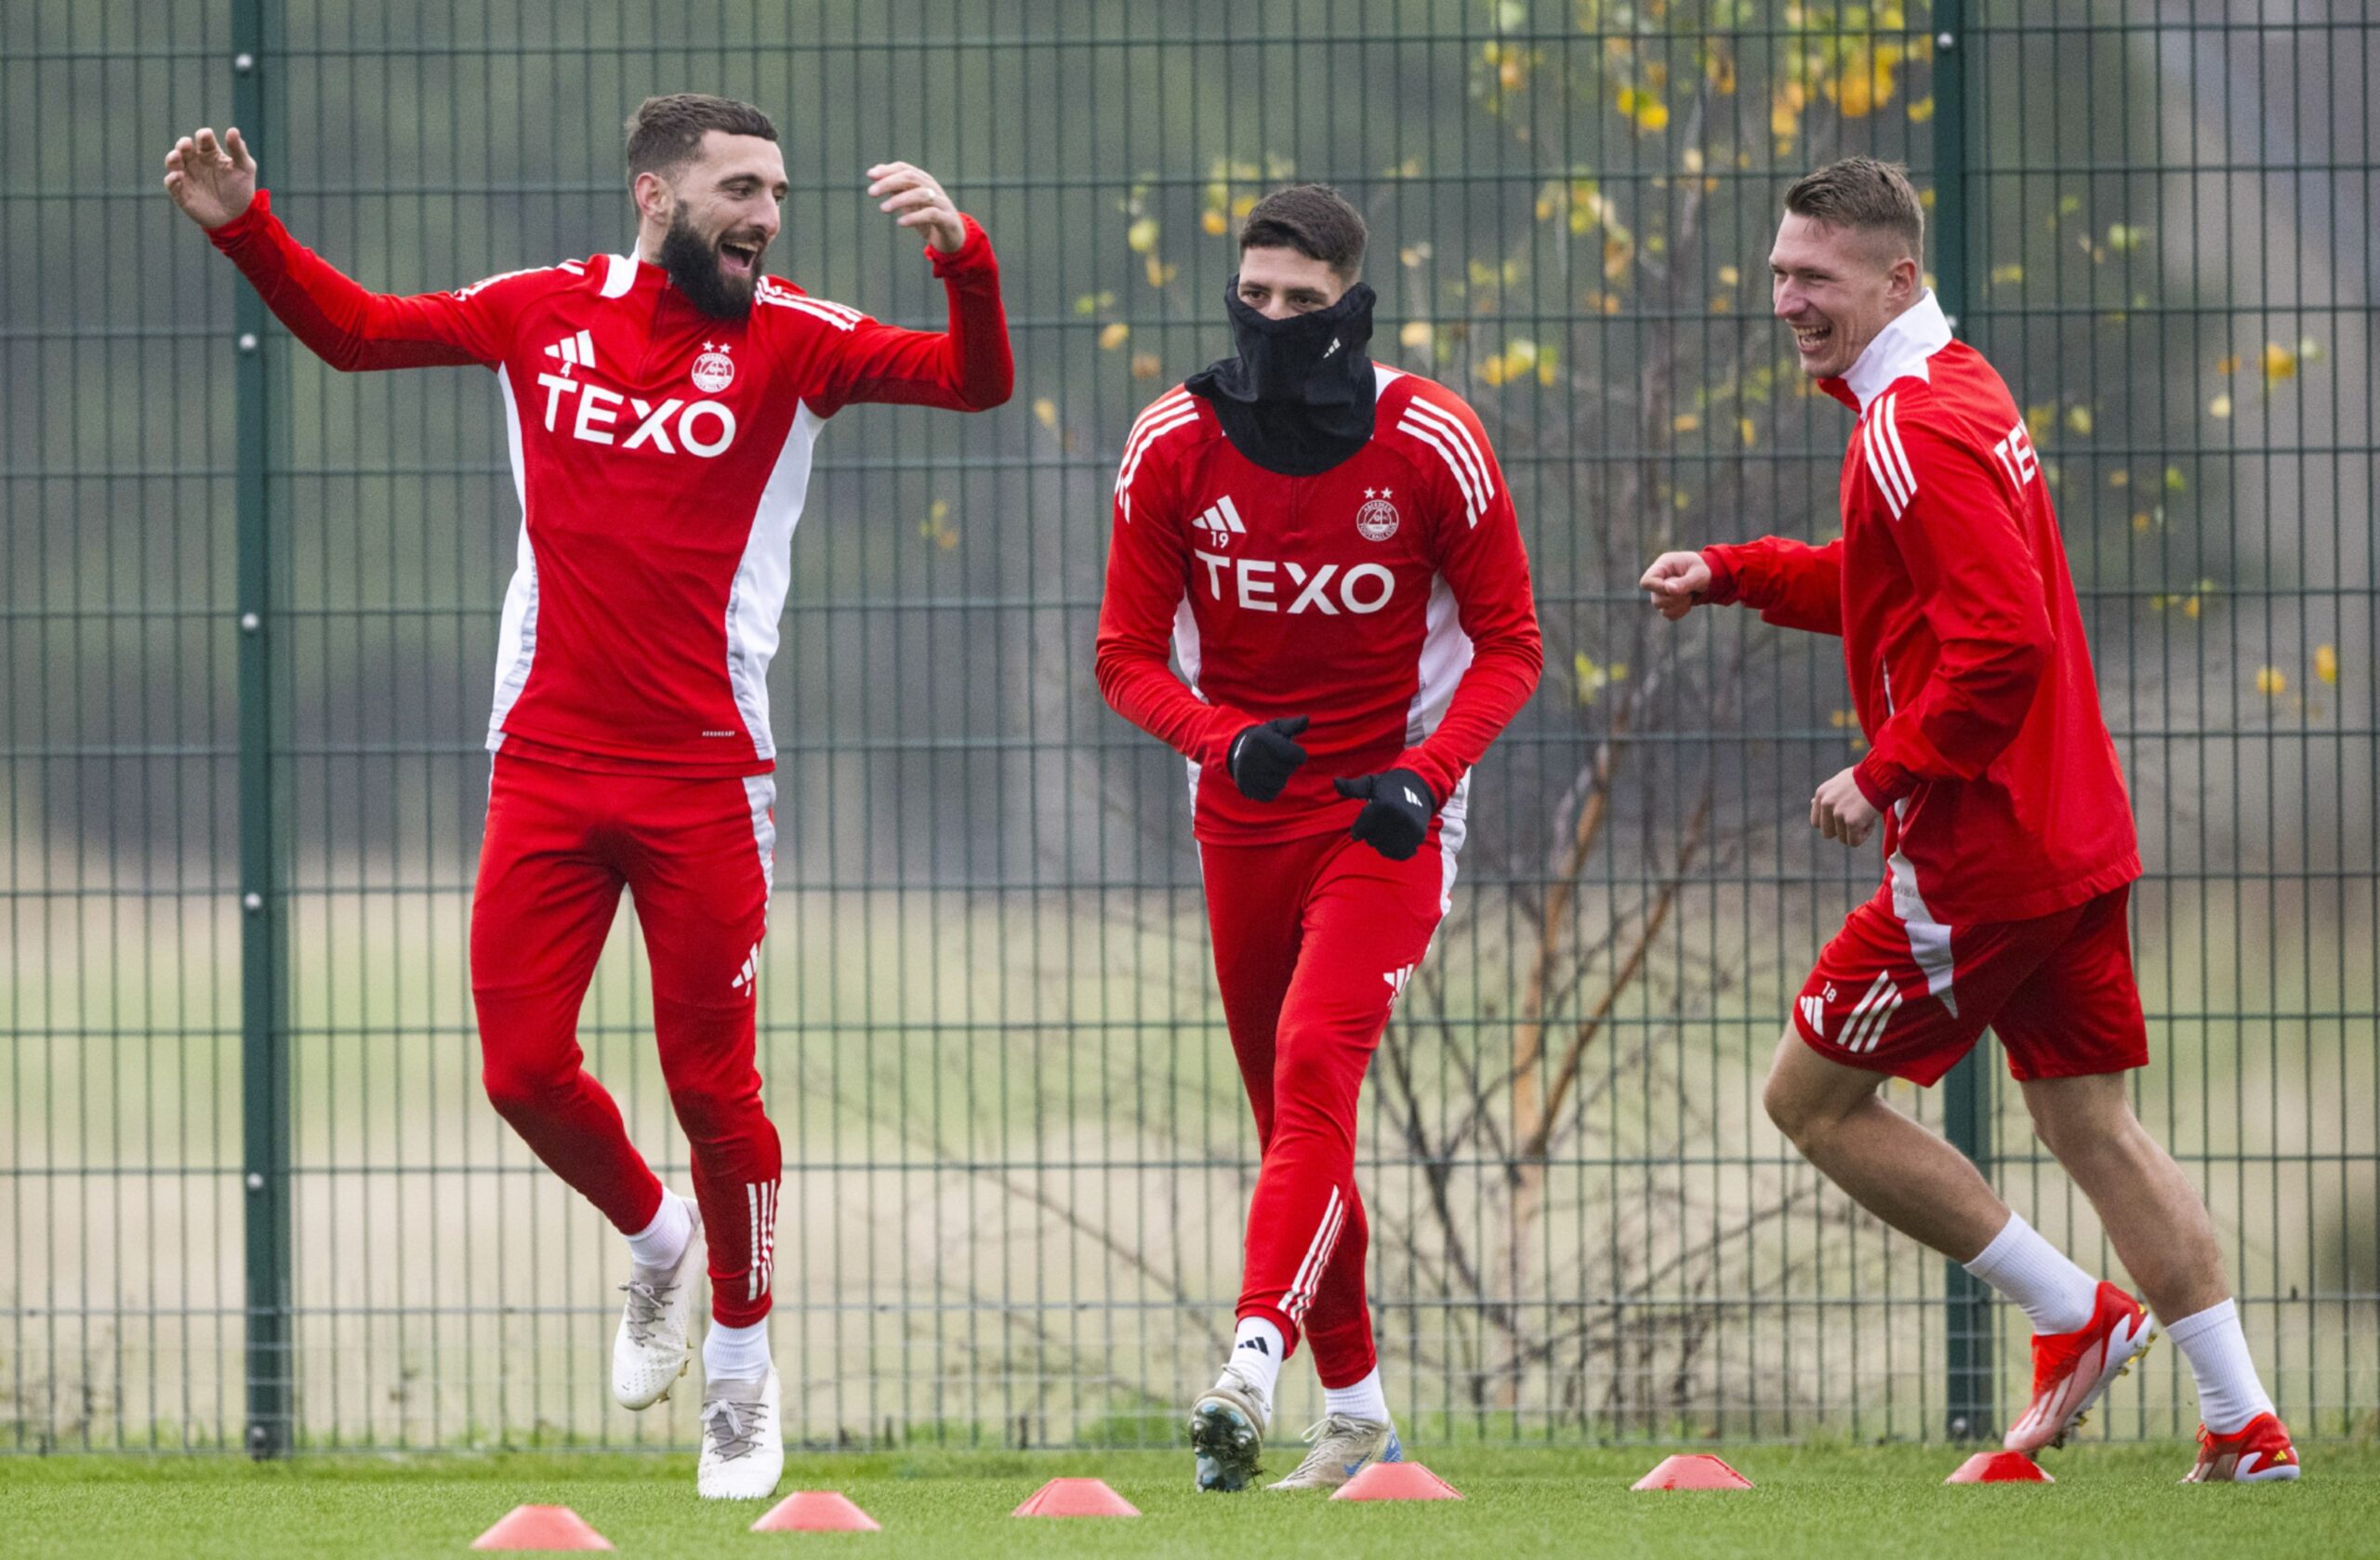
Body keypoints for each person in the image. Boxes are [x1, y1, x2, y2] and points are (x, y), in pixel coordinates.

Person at [165, 94, 1013, 1498]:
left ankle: (741, 1379)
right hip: (547, 760)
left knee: (713, 1086)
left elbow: (973, 382)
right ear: (653, 195)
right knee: (517, 1070)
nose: (766, 215)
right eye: (740, 188)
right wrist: (245, 229)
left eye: (780, 193)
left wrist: (963, 260)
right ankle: (659, 1240)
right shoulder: (540, 309)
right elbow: (360, 333)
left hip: (706, 773)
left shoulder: (797, 336)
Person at [1640, 157, 2296, 1483]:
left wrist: (1881, 773)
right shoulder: (1958, 387)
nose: (1787, 299)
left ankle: (2072, 1314)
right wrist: (1733, 574)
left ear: (1897, 276)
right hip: (2075, 829)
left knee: (1812, 1098)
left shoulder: (1909, 427)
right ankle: (2246, 1423)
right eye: (1778, 272)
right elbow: (1904, 593)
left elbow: (1995, 648)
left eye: (1814, 276)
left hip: (1983, 846)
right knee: (2093, 1125)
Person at [1095, 185, 1541, 1490]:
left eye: (1301, 300)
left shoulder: (1431, 438)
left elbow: (1513, 643)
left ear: (1351, 302)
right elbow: (1122, 655)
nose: (1273, 319)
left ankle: (1247, 1366)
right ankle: (1357, 1415)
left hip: (1388, 821)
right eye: (1256, 296)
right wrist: (1216, 737)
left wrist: (1428, 770)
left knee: (1311, 1064)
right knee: (1300, 1119)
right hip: (1238, 817)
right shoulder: (1172, 441)